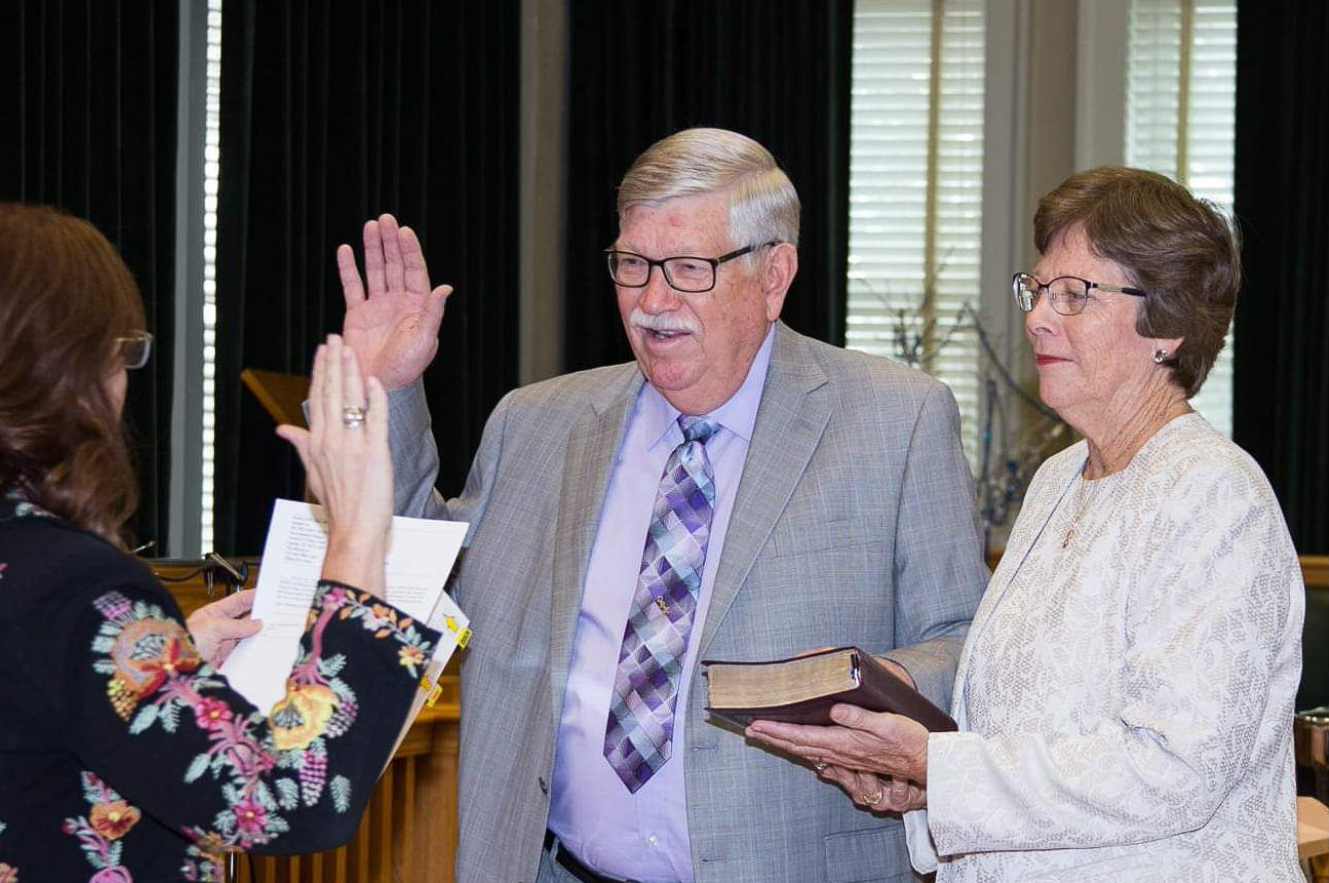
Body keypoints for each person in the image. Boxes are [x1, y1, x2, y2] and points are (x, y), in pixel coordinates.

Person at [336, 127, 988, 882]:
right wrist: (387, 389)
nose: (652, 301)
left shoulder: (894, 419)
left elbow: (963, 640)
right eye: (632, 265)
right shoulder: (536, 423)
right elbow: (413, 577)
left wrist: (873, 686)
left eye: (687, 268)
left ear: (774, 274)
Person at [747, 167, 1305, 881]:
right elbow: (1016, 730)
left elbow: (1173, 766)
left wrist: (937, 766)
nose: (1037, 315)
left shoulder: (1213, 496)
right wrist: (917, 787)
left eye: (1074, 294)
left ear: (1165, 326)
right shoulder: (1056, 480)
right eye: (1037, 289)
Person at [0, 203, 438, 879]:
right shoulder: (76, 585)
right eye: (123, 350)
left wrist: (160, 659)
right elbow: (294, 798)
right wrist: (355, 534)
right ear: (69, 362)